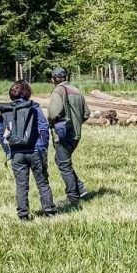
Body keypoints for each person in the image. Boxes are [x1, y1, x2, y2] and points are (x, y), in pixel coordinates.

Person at [0, 80, 56, 221]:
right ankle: (50, 212)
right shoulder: (34, 107)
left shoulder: (6, 110)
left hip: (17, 153)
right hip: (35, 150)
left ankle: (23, 215)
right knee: (43, 183)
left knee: (21, 186)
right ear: (27, 92)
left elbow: (0, 133)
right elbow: (43, 128)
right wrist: (43, 148)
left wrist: (8, 150)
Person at [47, 67, 90, 206]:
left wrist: (51, 123)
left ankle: (73, 197)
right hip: (76, 134)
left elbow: (53, 114)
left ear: (53, 79)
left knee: (63, 163)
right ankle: (80, 188)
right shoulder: (77, 91)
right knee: (62, 161)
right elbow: (86, 114)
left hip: (63, 134)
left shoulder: (57, 91)